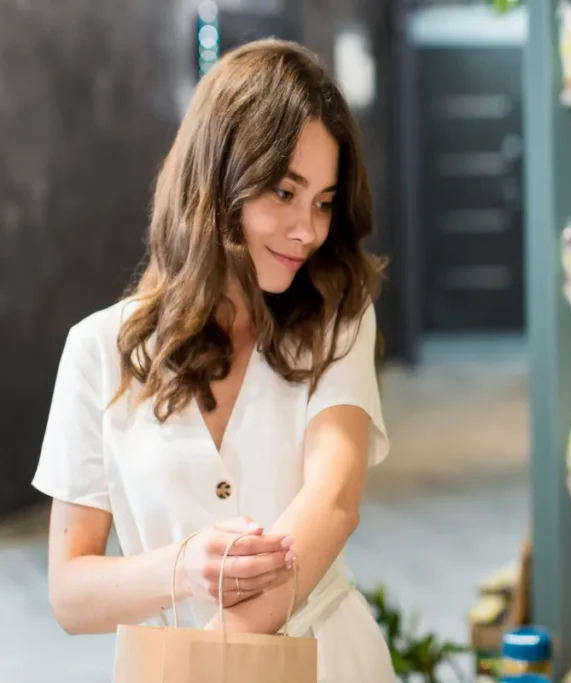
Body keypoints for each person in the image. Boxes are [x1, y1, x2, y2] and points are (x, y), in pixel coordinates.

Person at [31, 39, 394, 681]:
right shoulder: (97, 353)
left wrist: (217, 658)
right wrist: (184, 566)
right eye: (284, 192)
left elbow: (334, 500)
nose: (308, 229)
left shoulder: (338, 315)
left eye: (324, 201)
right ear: (219, 177)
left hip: (322, 660)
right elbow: (70, 592)